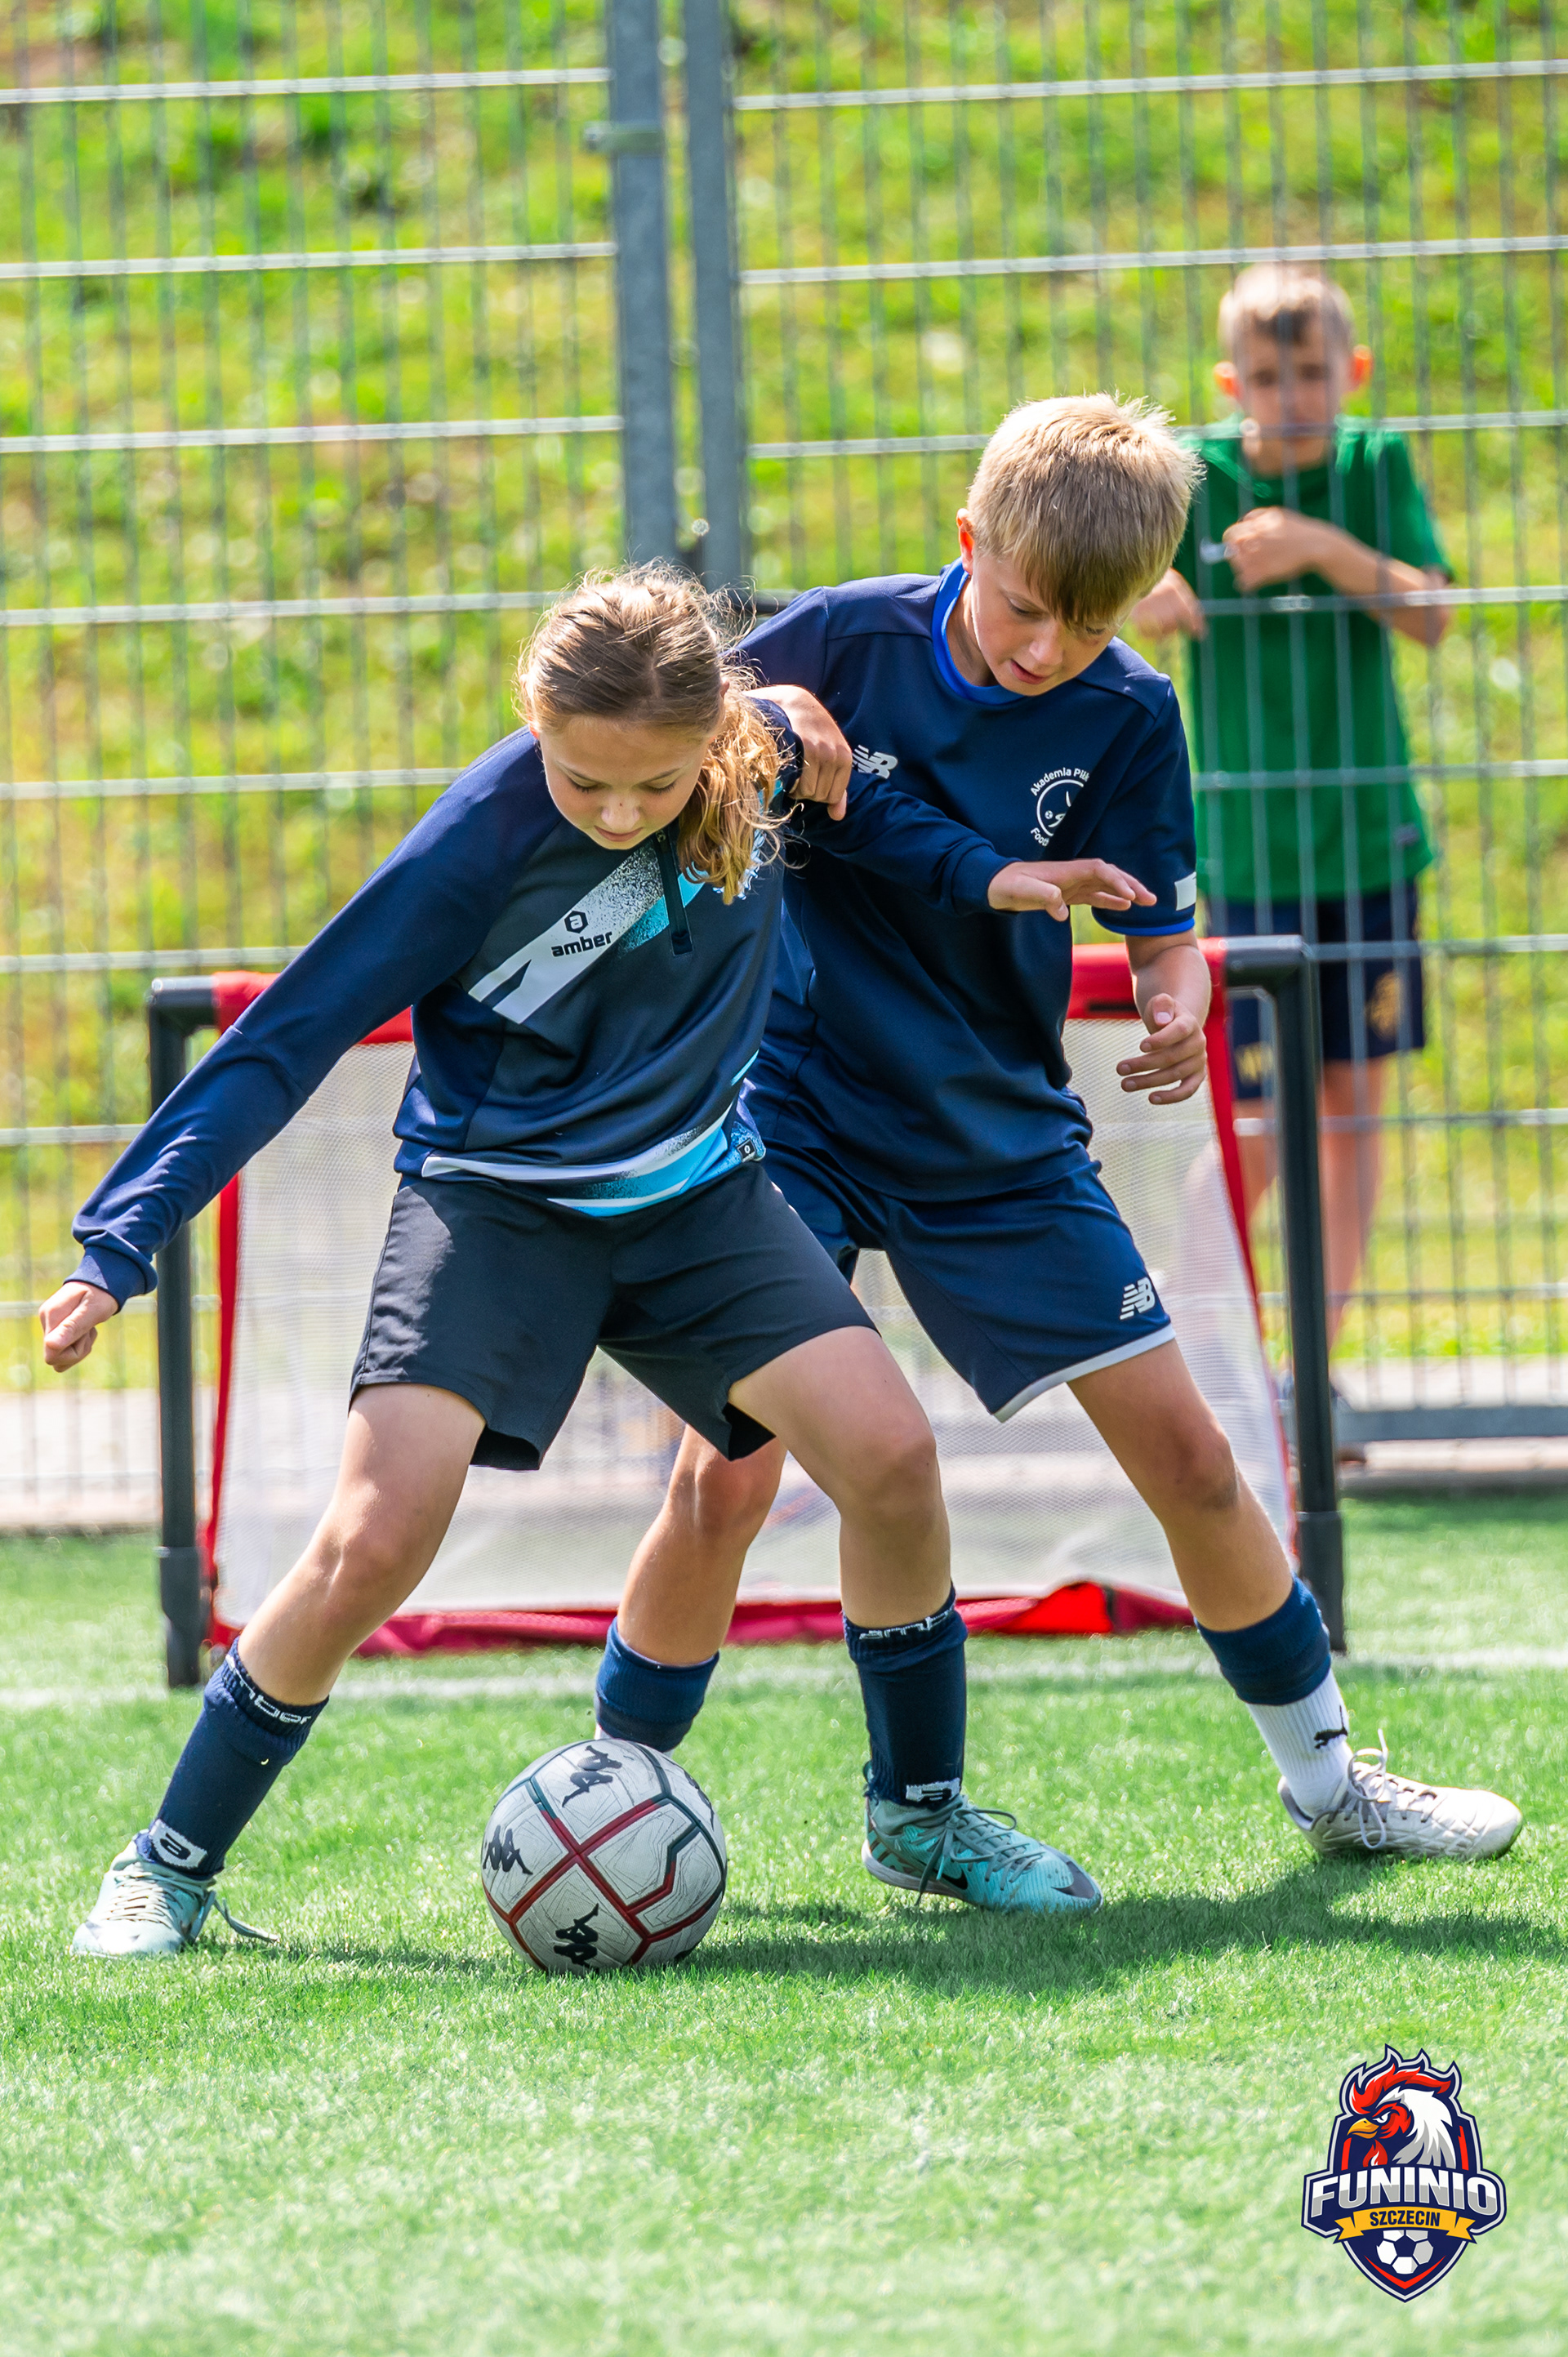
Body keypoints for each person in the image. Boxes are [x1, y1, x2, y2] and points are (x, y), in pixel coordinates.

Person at [46, 566, 1107, 1959]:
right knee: (375, 1536)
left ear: (716, 736)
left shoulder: (761, 754)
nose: (617, 813)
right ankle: (167, 1863)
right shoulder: (475, 845)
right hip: (495, 1208)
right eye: (583, 780)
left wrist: (878, 783)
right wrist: (119, 1242)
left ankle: (921, 1816)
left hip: (700, 1202)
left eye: (655, 787)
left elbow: (855, 731)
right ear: (533, 718)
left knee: (893, 1459)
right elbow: (283, 1039)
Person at [590, 398, 1520, 1886]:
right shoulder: (844, 637)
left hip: (993, 1125)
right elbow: (671, 719)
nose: (1045, 651)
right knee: (732, 1471)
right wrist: (760, 712)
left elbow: (1165, 931)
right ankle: (609, 1797)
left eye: (1088, 626)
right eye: (1024, 609)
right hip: (794, 1105)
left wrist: (1173, 1004)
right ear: (970, 541)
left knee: (1193, 1456)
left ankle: (1332, 1780)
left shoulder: (1132, 715)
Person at [1133, 264, 1451, 1415]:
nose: (1293, 396)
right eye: (1268, 377)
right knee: (1256, 1120)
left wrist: (1324, 548)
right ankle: (1193, 1336)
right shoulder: (1193, 478)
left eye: (1313, 372)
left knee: (1353, 1111)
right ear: (1231, 384)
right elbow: (1112, 593)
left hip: (1368, 845)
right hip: (1251, 852)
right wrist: (1147, 599)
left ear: (1351, 372)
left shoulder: (1372, 466)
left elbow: (1433, 612)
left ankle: (1310, 1370)